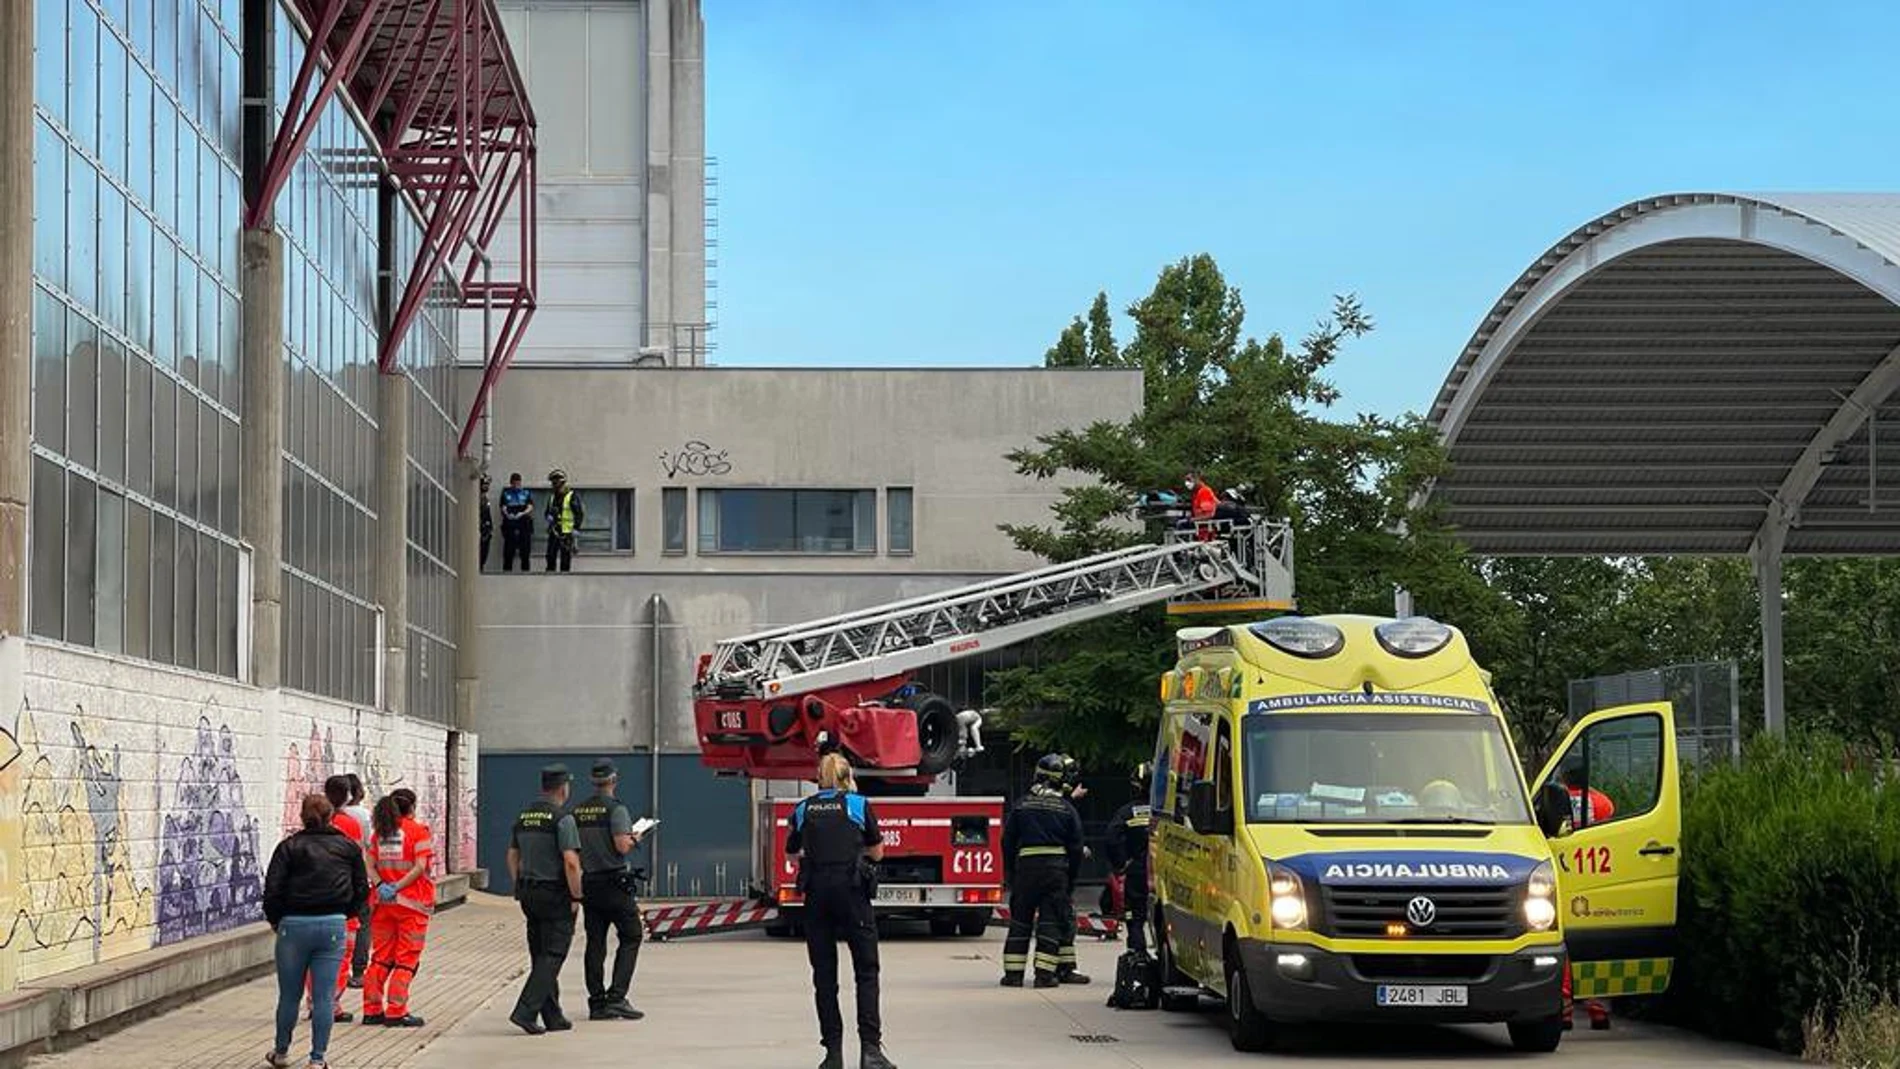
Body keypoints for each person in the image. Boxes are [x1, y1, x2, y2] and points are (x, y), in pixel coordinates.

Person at [785, 753, 896, 1069]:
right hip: (851, 893)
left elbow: (792, 853)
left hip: (817, 894)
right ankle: (871, 1052)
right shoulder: (858, 805)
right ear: (848, 776)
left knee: (824, 976)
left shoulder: (803, 808)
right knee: (866, 972)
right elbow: (877, 852)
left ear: (819, 777)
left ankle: (833, 1054)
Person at [264, 793, 368, 1069]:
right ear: (332, 816)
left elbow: (272, 889)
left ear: (302, 816)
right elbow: (361, 888)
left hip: (293, 926)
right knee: (324, 996)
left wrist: (276, 920)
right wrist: (346, 913)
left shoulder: (289, 847)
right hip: (333, 924)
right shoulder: (347, 847)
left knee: (289, 995)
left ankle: (282, 1052)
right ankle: (317, 1058)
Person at [508, 763, 584, 1035]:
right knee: (553, 954)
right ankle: (525, 1011)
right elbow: (571, 862)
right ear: (563, 788)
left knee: (540, 953)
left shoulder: (524, 816)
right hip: (554, 893)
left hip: (528, 891)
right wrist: (576, 894)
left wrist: (519, 884)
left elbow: (512, 855)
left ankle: (553, 1016)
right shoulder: (562, 819)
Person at [1000, 754, 1084, 989]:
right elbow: (1076, 848)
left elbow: (1007, 841)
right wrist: (1071, 880)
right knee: (1050, 922)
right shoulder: (1066, 809)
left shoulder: (1022, 805)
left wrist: (1011, 874)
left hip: (1026, 871)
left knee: (1020, 921)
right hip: (1055, 873)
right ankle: (1044, 976)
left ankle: (1013, 975)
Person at [573, 758, 647, 1021]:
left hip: (590, 882)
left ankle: (596, 1003)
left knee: (595, 943)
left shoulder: (578, 811)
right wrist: (636, 837)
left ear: (593, 782)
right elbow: (622, 847)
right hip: (615, 883)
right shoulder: (617, 810)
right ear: (614, 780)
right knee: (631, 936)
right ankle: (617, 997)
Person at [362, 791, 434, 1028]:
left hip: (383, 905)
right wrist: (398, 886)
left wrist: (382, 885)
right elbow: (420, 866)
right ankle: (396, 1010)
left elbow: (369, 864)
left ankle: (371, 1010)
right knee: (406, 959)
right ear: (412, 807)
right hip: (412, 905)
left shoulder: (381, 832)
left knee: (381, 957)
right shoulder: (418, 831)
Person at [303, 776, 365, 1023]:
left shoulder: (306, 832)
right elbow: (358, 866)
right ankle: (330, 1004)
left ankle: (313, 1001)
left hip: (311, 903)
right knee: (341, 956)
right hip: (343, 903)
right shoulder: (352, 825)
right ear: (349, 795)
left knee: (313, 957)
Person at [1558, 765, 1613, 1031]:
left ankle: (1564, 1012)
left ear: (1565, 778)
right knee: (1596, 948)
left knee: (1562, 945)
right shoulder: (1603, 803)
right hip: (1597, 882)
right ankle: (1599, 1011)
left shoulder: (1555, 802)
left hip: (1564, 880)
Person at [1105, 762, 1155, 954]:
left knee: (1135, 918)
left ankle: (1138, 957)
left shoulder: (1127, 812)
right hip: (1165, 870)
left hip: (1138, 870)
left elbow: (1111, 837)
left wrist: (1121, 863)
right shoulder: (1166, 811)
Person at [1051, 755, 1091, 984]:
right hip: (1059, 872)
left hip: (1041, 872)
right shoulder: (1064, 808)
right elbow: (1067, 833)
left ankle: (1059, 968)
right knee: (1064, 920)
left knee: (1057, 920)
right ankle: (1064, 969)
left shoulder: (1035, 802)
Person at [342, 774, 374, 987]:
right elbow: (370, 845)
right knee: (362, 924)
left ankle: (338, 968)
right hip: (360, 874)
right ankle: (359, 970)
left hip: (336, 877)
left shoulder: (334, 815)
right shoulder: (364, 816)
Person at [544, 469, 584, 573]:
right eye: (552, 483)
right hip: (554, 531)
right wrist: (548, 516)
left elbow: (579, 513)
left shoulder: (571, 496)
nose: (553, 486)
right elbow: (547, 512)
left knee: (565, 558)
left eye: (555, 483)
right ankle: (549, 577)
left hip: (567, 533)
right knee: (550, 555)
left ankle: (564, 581)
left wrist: (576, 528)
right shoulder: (552, 497)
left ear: (561, 483)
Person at [500, 473, 534, 572]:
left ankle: (526, 572)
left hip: (524, 523)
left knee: (525, 551)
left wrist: (522, 513)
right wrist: (507, 515)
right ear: (511, 483)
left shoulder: (526, 493)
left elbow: (530, 506)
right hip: (510, 523)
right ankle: (507, 572)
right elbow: (503, 506)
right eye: (514, 483)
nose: (516, 485)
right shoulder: (506, 493)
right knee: (508, 551)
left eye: (517, 483)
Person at [479, 474, 494, 571]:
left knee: (484, 552)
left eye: (487, 484)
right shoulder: (477, 499)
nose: (486, 486)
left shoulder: (485, 499)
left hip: (486, 532)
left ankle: (481, 566)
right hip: (479, 531)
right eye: (484, 484)